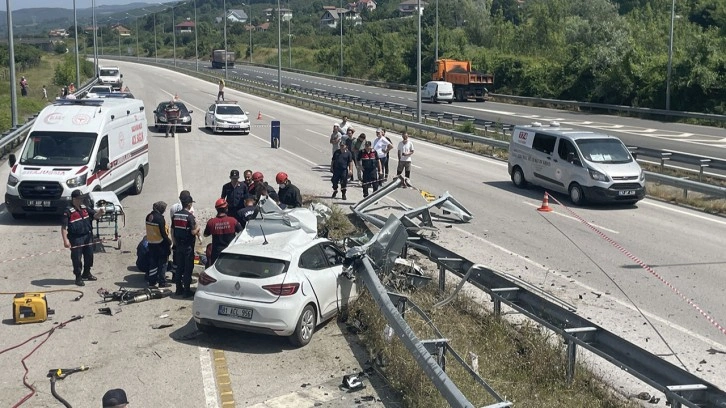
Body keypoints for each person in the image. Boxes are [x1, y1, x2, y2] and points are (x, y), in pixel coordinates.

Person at [61, 190, 105, 286]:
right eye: (80, 198)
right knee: (77, 258)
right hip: (76, 238)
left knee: (89, 255)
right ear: (74, 199)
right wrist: (66, 240)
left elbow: (95, 216)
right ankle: (78, 277)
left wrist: (100, 213)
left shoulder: (84, 208)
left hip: (87, 236)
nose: (82, 200)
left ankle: (86, 273)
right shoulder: (68, 211)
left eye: (82, 198)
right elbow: (64, 227)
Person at [172, 193, 199, 298]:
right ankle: (186, 291)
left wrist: (174, 243)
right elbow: (193, 232)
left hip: (178, 245)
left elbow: (173, 230)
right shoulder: (190, 217)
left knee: (179, 267)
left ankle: (178, 289)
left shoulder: (176, 215)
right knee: (188, 268)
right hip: (188, 246)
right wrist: (198, 229)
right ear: (188, 204)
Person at [204, 199, 243, 265]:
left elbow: (205, 234)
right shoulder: (233, 221)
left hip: (216, 254)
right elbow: (241, 233)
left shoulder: (211, 222)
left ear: (216, 209)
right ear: (226, 208)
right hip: (229, 253)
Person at [145, 201, 172, 288]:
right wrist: (169, 241)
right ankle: (162, 282)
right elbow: (163, 233)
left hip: (151, 243)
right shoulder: (160, 218)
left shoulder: (148, 216)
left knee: (153, 263)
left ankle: (152, 282)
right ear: (160, 209)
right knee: (163, 264)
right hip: (160, 245)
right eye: (164, 209)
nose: (164, 210)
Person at [168, 190, 195, 273]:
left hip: (177, 237)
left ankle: (175, 276)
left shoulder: (173, 207)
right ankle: (186, 279)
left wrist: (173, 241)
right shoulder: (190, 211)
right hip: (186, 240)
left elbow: (173, 226)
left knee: (177, 259)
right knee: (187, 261)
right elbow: (193, 226)